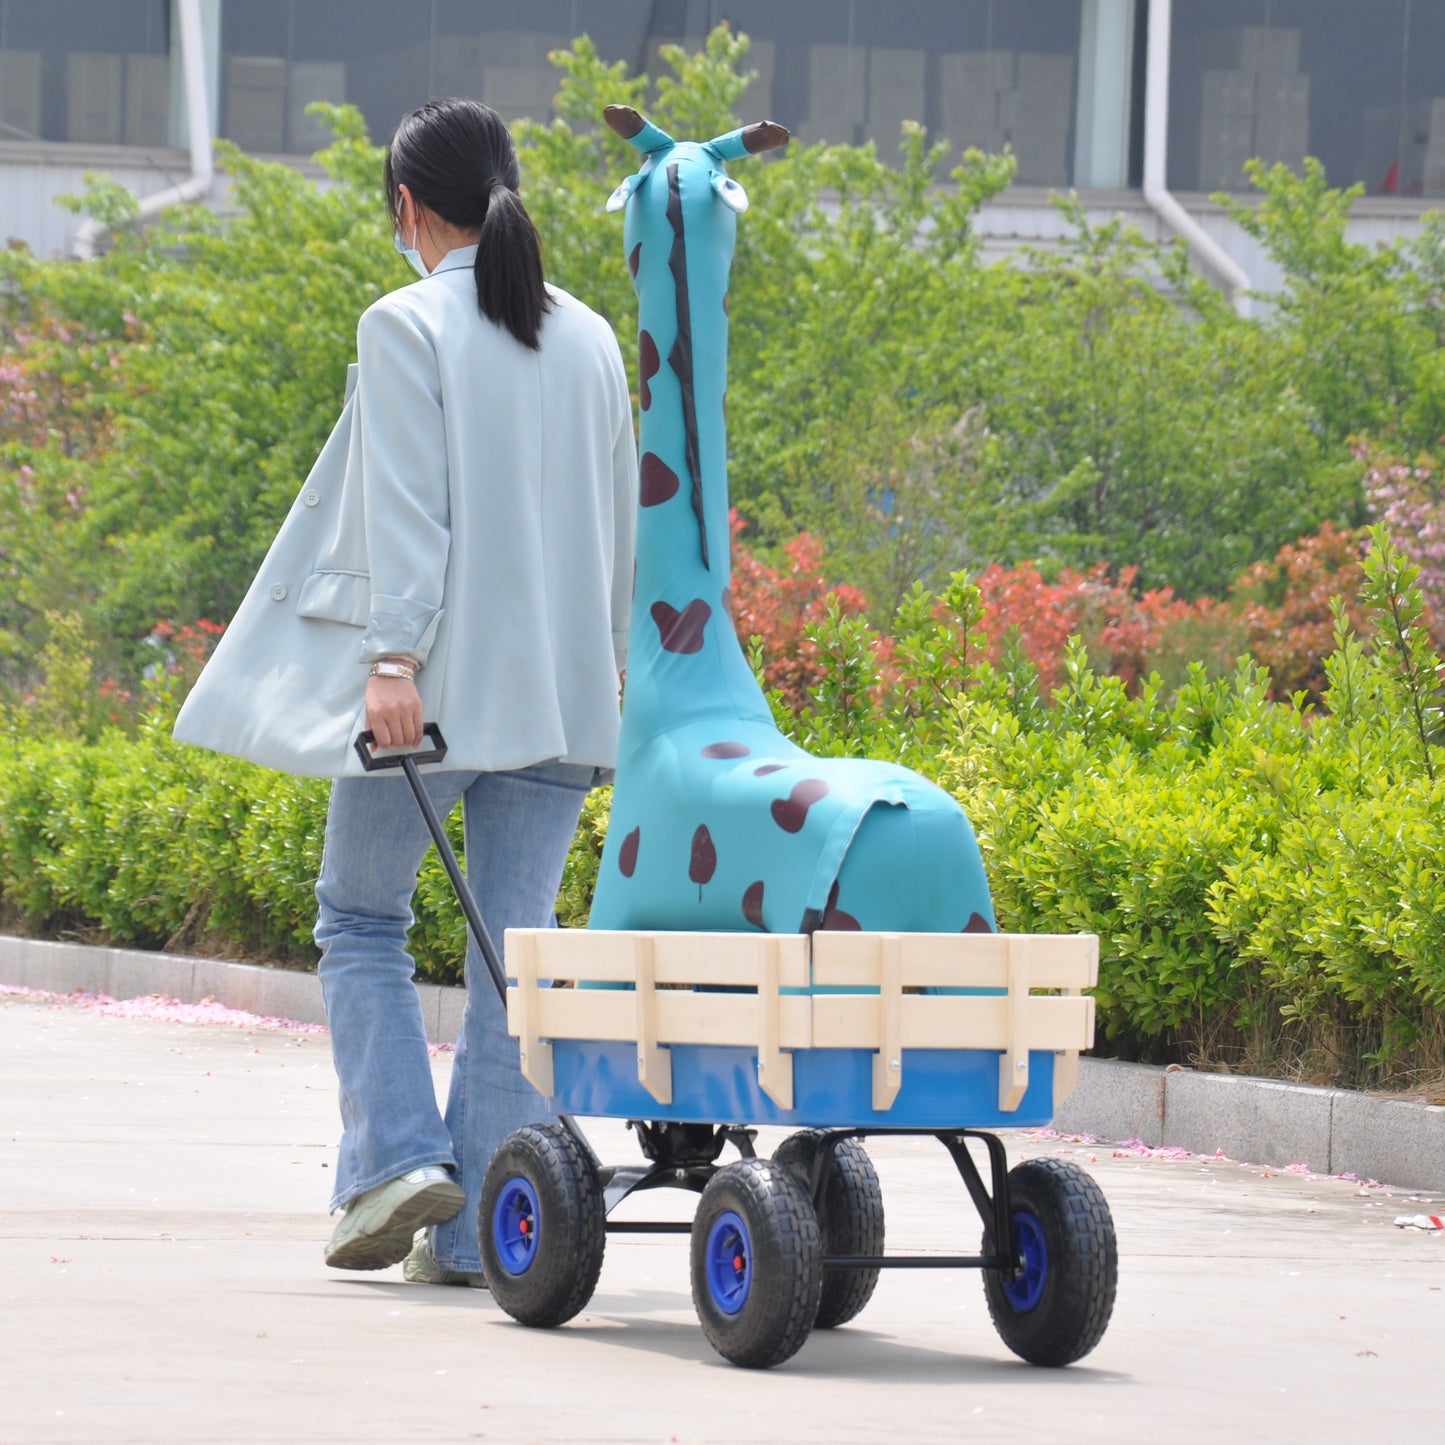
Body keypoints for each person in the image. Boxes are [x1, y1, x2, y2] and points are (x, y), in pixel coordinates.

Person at [175, 97, 636, 1284]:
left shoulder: (406, 324)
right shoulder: (589, 338)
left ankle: (392, 1162)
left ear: (407, 207)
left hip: (426, 701)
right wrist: (610, 685)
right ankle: (486, 1225)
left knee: (360, 914)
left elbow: (407, 514)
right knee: (508, 958)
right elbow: (620, 536)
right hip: (566, 705)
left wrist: (393, 661)